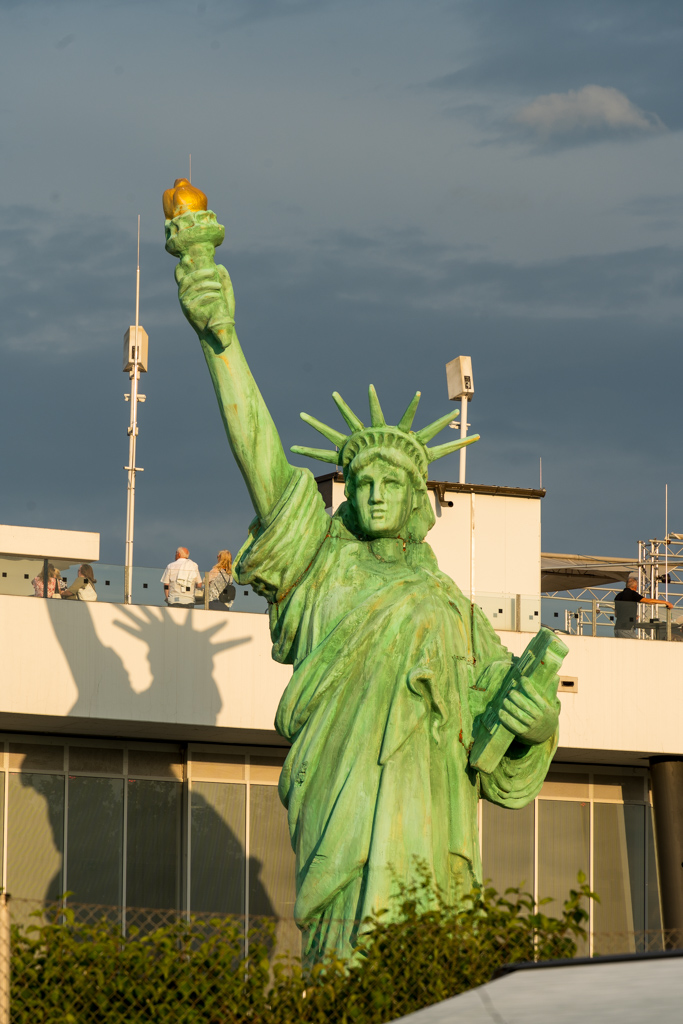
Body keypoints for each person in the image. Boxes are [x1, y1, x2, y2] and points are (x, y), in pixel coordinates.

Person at [165, 182, 563, 965]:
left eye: (394, 484)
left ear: (419, 499)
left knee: (431, 954)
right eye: (365, 483)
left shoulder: (449, 607)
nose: (377, 494)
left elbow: (496, 733)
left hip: (435, 813)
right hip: (340, 793)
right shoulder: (317, 561)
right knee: (346, 956)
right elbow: (261, 457)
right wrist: (220, 340)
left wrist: (537, 718)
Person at [613, 574, 673, 638]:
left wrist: (632, 615)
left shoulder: (618, 596)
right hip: (626, 628)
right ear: (635, 587)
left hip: (617, 628)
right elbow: (648, 601)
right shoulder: (632, 594)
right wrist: (665, 602)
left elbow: (616, 614)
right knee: (633, 646)